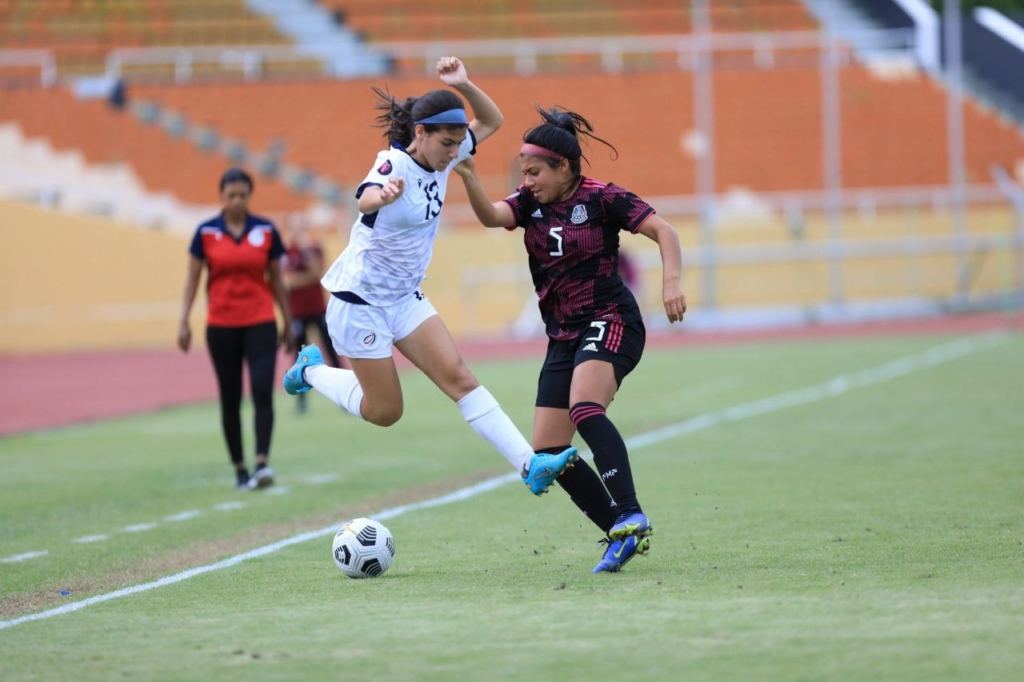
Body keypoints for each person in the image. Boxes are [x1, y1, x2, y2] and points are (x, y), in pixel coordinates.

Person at [281, 56, 579, 496]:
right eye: (447, 142)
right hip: (358, 303)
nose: (455, 151)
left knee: (460, 378)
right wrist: (382, 195)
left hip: (404, 298)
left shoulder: (449, 153)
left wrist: (464, 83)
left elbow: (493, 119)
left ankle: (529, 465)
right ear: (420, 134)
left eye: (460, 141)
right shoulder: (392, 164)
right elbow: (363, 198)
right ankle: (310, 371)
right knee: (385, 411)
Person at [452, 106, 686, 573]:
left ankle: (631, 509)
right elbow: (492, 216)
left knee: (584, 407)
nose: (528, 180)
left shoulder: (603, 198)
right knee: (550, 452)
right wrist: (469, 175)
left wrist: (672, 282)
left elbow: (664, 230)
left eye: (535, 171)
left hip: (611, 317)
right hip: (562, 336)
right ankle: (619, 531)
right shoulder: (529, 203)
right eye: (523, 172)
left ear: (565, 166)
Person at [178, 167, 296, 491]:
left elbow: (277, 280)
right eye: (231, 195)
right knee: (230, 398)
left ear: (249, 196)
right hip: (221, 325)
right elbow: (193, 279)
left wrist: (288, 321)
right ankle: (240, 469)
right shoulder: (205, 233)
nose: (236, 201)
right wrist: (183, 320)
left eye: (242, 195)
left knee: (261, 390)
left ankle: (261, 463)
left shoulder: (266, 231)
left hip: (260, 321)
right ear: (222, 197)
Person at [281, 216, 347, 415]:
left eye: (301, 228)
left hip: (318, 309)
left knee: (332, 352)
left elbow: (317, 272)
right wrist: (306, 278)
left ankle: (343, 395)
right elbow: (287, 282)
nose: (298, 233)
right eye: (294, 228)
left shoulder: (314, 248)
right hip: (297, 313)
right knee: (298, 357)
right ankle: (301, 400)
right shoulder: (285, 253)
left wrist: (305, 252)